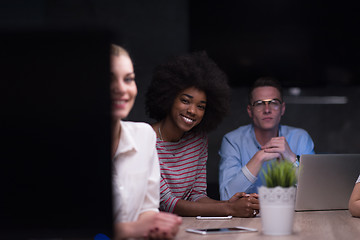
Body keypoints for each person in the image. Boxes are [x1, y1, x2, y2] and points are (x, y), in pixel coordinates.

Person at [145, 51, 259, 218]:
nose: (192, 111)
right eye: (185, 100)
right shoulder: (145, 139)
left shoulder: (197, 140)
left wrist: (232, 204)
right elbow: (167, 203)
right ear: (169, 98)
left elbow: (196, 195)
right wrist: (230, 209)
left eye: (201, 106)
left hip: (185, 228)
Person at [110, 44, 181, 239]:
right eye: (109, 79)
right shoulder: (64, 149)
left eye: (128, 79)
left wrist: (157, 226)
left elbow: (148, 208)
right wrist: (130, 230)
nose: (121, 89)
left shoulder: (144, 136)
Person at [219, 77, 315, 200]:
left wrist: (291, 159)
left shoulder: (300, 137)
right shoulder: (232, 140)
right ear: (250, 111)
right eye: (259, 104)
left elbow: (314, 194)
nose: (267, 110)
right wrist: (259, 157)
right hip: (247, 218)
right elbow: (226, 197)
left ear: (282, 109)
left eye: (274, 103)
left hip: (293, 216)